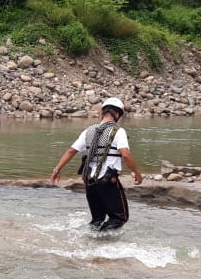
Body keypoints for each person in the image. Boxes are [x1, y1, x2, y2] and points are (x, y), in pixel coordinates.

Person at [50, 97, 143, 230]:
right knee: (119, 218)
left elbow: (71, 151)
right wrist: (137, 172)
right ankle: (102, 244)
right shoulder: (118, 131)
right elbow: (126, 154)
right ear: (118, 115)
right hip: (107, 180)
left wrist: (57, 170)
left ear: (102, 113)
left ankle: (90, 241)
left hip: (90, 180)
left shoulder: (88, 131)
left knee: (97, 219)